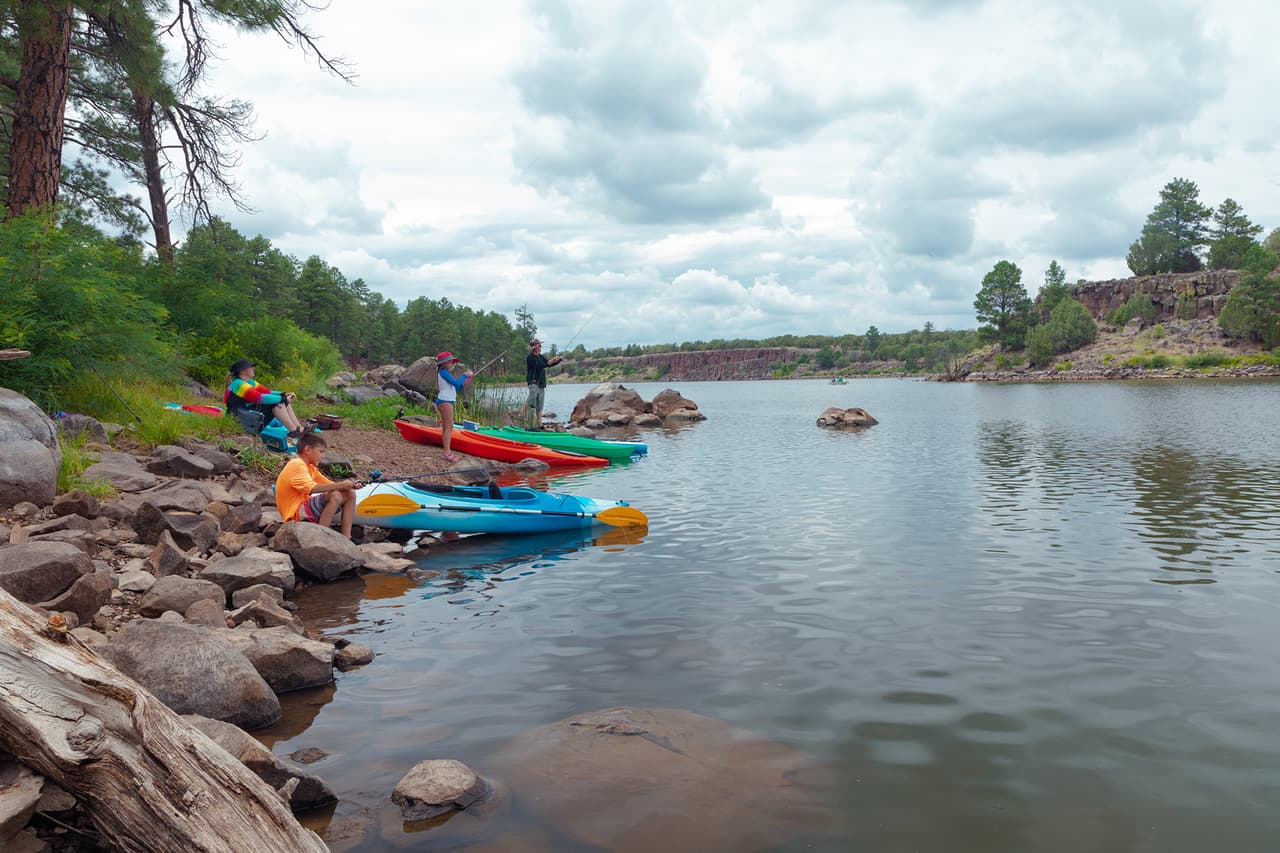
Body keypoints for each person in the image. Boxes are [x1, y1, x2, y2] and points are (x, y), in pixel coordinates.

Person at [275, 432, 361, 539]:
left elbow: (332, 485)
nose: (322, 456)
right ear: (307, 450)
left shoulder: (310, 468)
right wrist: (342, 484)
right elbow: (312, 488)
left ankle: (346, 537)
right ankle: (320, 535)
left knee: (349, 494)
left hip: (303, 510)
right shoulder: (297, 464)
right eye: (320, 452)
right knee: (335, 495)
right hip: (295, 514)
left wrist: (350, 486)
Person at [224, 358, 306, 437]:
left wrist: (284, 394)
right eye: (251, 367)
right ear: (242, 371)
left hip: (245, 414)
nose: (253, 368)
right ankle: (293, 430)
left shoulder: (249, 382)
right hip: (238, 419)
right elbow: (259, 398)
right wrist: (282, 399)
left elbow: (267, 392)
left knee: (282, 401)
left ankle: (299, 428)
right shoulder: (239, 384)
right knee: (278, 403)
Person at [435, 351, 472, 463]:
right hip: (444, 401)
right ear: (444, 363)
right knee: (448, 427)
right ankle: (446, 453)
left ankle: (447, 451)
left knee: (448, 427)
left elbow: (455, 388)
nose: (452, 364)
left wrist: (464, 383)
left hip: (447, 400)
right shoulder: (443, 372)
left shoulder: (445, 373)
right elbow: (456, 383)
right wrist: (465, 375)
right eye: (450, 362)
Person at [524, 338, 563, 430]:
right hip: (533, 382)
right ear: (535, 347)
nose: (541, 347)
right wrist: (550, 361)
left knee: (539, 405)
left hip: (541, 383)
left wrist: (557, 360)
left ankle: (539, 424)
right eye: (539, 345)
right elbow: (538, 366)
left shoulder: (541, 357)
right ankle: (522, 415)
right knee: (531, 401)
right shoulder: (530, 358)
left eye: (540, 345)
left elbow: (548, 364)